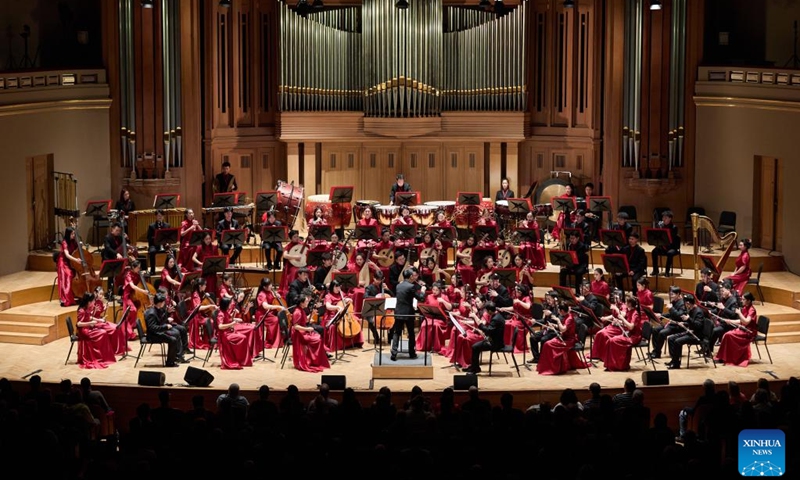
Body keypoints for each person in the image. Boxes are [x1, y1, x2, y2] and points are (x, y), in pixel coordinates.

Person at [537, 303, 587, 375]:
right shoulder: (566, 316)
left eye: (559, 310)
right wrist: (554, 325)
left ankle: (554, 368)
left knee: (547, 344)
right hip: (564, 337)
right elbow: (562, 327)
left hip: (569, 340)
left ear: (562, 311)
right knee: (547, 343)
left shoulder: (569, 318)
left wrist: (558, 321)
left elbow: (563, 329)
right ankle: (551, 366)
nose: (558, 312)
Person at [390, 267, 427, 361]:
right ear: (410, 276)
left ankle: (393, 354)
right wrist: (422, 290)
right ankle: (412, 353)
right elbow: (420, 298)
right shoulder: (411, 286)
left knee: (397, 333)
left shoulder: (399, 285)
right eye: (413, 276)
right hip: (408, 313)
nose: (414, 278)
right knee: (411, 333)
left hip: (398, 312)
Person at [75, 292, 118, 369]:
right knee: (103, 333)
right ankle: (99, 357)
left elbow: (90, 317)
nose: (94, 302)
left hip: (88, 328)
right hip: (84, 331)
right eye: (93, 301)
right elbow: (79, 324)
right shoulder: (81, 310)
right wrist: (90, 323)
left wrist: (99, 320)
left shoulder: (86, 308)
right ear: (89, 302)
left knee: (104, 332)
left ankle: (102, 356)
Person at [145, 292, 189, 367]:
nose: (164, 303)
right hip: (153, 335)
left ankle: (177, 356)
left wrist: (167, 313)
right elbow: (152, 328)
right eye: (163, 302)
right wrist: (165, 327)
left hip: (158, 331)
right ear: (160, 303)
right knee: (173, 339)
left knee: (176, 333)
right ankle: (170, 362)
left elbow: (160, 320)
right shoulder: (151, 313)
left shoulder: (158, 309)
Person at [714, 291, 758, 366]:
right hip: (743, 329)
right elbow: (741, 321)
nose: (742, 301)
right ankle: (723, 357)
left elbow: (746, 322)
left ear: (749, 301)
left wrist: (739, 313)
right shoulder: (745, 308)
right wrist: (730, 321)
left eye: (743, 299)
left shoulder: (752, 310)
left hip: (749, 332)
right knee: (727, 335)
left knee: (728, 335)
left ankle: (730, 358)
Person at [464, 301, 505, 375]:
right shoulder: (497, 315)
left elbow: (488, 331)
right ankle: (474, 366)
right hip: (495, 339)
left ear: (489, 311)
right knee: (476, 346)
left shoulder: (496, 319)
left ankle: (475, 369)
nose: (486, 312)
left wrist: (476, 319)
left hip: (495, 344)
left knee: (475, 347)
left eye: (486, 310)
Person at [291, 294, 330, 372]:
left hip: (303, 331)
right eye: (306, 301)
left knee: (318, 336)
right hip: (299, 334)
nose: (307, 302)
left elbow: (304, 320)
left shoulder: (301, 310)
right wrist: (307, 329)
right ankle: (312, 361)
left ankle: (314, 360)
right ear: (301, 303)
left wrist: (312, 314)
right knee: (317, 339)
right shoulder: (297, 312)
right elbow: (295, 326)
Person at [666, 294, 706, 369]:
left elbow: (698, 326)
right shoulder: (691, 310)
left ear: (688, 303)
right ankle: (674, 360)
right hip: (690, 332)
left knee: (677, 341)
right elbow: (691, 323)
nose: (685, 306)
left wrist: (688, 319)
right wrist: (684, 323)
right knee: (671, 339)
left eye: (685, 304)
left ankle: (676, 364)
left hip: (697, 335)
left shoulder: (699, 312)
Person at [215, 296, 255, 369]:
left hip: (229, 332)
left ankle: (242, 359)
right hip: (224, 335)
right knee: (243, 338)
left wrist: (234, 318)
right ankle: (241, 359)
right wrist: (231, 324)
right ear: (226, 304)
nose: (231, 304)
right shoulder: (221, 314)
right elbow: (220, 326)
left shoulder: (225, 311)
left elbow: (228, 319)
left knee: (243, 337)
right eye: (230, 303)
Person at [414, 281, 452, 354]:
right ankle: (425, 346)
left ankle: (436, 346)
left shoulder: (444, 296)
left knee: (436, 325)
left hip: (440, 319)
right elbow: (426, 307)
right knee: (424, 325)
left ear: (440, 290)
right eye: (433, 290)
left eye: (436, 290)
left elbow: (449, 308)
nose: (434, 291)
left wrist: (443, 301)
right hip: (430, 317)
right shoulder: (429, 296)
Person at [650, 286, 686, 359]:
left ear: (678, 294)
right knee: (655, 330)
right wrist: (661, 315)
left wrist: (671, 308)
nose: (670, 296)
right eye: (670, 294)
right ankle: (656, 350)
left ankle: (657, 353)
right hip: (671, 324)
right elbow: (671, 314)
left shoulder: (682, 304)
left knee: (662, 333)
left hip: (678, 326)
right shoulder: (674, 301)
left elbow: (679, 316)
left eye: (672, 294)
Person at [613, 232, 647, 297]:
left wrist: (634, 271)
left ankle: (635, 295)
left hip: (637, 269)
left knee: (635, 279)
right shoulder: (625, 249)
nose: (630, 240)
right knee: (618, 276)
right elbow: (621, 259)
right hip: (627, 269)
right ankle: (621, 295)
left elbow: (641, 264)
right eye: (629, 239)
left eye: (632, 239)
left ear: (636, 240)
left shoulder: (641, 250)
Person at [650, 210, 681, 277]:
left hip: (672, 247)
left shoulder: (674, 227)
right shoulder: (661, 225)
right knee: (654, 251)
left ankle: (667, 271)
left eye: (666, 218)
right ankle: (655, 270)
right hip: (663, 246)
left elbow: (670, 239)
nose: (663, 219)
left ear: (670, 218)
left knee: (670, 253)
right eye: (663, 217)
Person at [57, 226, 81, 307]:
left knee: (76, 274)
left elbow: (78, 250)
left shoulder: (73, 242)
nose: (74, 235)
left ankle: (75, 294)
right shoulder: (64, 242)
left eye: (74, 233)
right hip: (63, 262)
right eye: (72, 234)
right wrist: (76, 260)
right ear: (68, 234)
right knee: (69, 274)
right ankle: (66, 298)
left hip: (71, 261)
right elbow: (67, 255)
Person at [146, 210, 171, 275]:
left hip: (164, 245)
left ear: (163, 216)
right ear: (156, 216)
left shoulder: (167, 225)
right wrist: (157, 238)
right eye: (158, 216)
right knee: (152, 252)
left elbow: (169, 236)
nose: (160, 217)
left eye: (161, 216)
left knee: (172, 251)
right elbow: (149, 238)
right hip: (154, 245)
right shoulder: (151, 226)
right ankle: (152, 270)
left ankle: (170, 269)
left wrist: (168, 243)